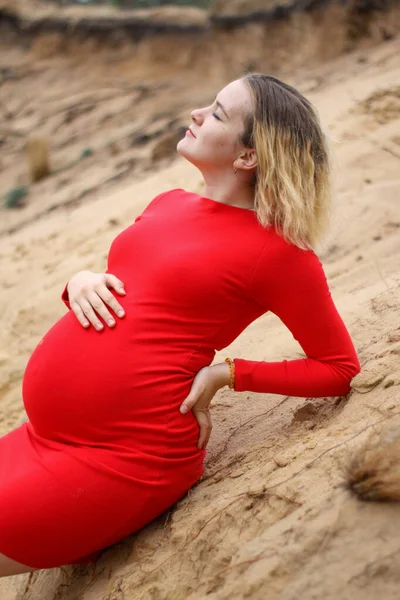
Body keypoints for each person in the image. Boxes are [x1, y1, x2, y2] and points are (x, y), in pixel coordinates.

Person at [0, 74, 360, 577]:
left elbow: (339, 368)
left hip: (122, 459)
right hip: (40, 437)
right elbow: (134, 297)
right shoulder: (167, 202)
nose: (196, 113)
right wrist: (80, 281)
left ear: (247, 157)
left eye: (216, 113)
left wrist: (227, 374)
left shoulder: (278, 254)